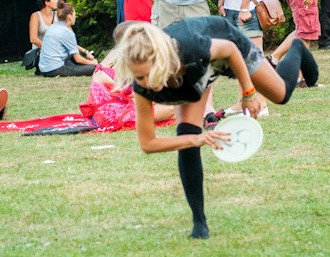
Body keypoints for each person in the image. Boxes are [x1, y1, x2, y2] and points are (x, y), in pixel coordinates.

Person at [113, 17, 318, 239]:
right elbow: (148, 144)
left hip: (225, 46)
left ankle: (297, 48)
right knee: (186, 136)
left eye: (147, 75)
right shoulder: (142, 87)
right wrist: (196, 139)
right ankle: (199, 222)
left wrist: (248, 93)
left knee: (281, 94)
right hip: (193, 74)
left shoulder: (190, 47)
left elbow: (229, 50)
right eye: (138, 77)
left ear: (161, 61)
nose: (145, 83)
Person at [38, 1, 99, 77]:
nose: (75, 17)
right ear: (69, 17)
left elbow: (72, 46)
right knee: (92, 68)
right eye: (74, 15)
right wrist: (94, 63)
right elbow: (78, 59)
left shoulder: (53, 27)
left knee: (71, 53)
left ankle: (77, 66)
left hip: (44, 69)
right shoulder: (67, 32)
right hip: (54, 70)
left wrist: (86, 52)